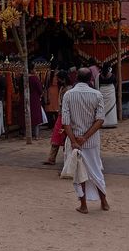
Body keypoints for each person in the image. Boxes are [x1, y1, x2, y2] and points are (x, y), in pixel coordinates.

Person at [61, 67, 108, 213]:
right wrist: (86, 137)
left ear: (76, 78)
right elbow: (100, 119)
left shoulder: (68, 95)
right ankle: (104, 201)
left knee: (78, 173)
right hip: (92, 141)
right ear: (90, 80)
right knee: (96, 170)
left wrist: (75, 141)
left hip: (74, 139)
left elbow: (65, 121)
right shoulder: (97, 95)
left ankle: (83, 205)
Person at [44, 70, 69, 165]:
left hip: (66, 116)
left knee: (65, 138)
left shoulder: (68, 89)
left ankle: (66, 159)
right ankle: (52, 158)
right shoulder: (62, 88)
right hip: (61, 115)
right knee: (57, 136)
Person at [17, 64, 45, 139]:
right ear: (31, 70)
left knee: (25, 115)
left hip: (24, 99)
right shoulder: (34, 78)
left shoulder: (22, 78)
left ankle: (25, 134)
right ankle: (36, 135)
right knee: (35, 117)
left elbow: (19, 88)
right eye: (34, 69)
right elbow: (40, 89)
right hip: (34, 99)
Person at [99, 63, 118, 128]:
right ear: (109, 68)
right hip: (110, 91)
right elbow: (115, 83)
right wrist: (113, 89)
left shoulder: (99, 75)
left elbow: (98, 84)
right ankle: (111, 122)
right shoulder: (112, 75)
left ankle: (103, 123)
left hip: (102, 91)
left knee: (102, 107)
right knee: (111, 107)